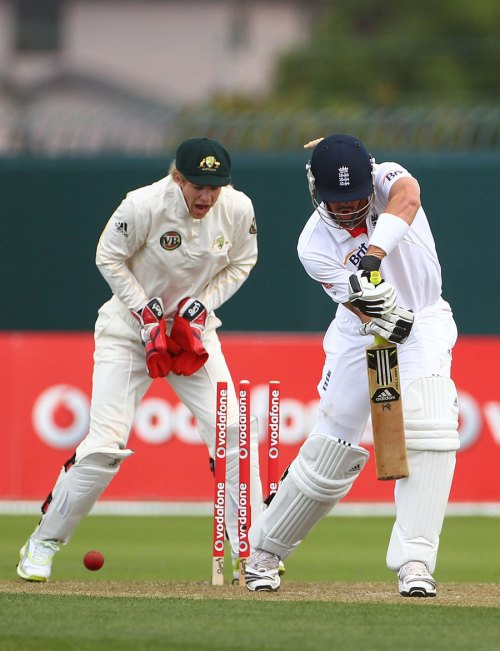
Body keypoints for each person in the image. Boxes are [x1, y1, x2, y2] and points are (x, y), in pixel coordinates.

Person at [17, 137, 263, 582]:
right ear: (177, 177)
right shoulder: (142, 205)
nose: (206, 197)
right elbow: (107, 256)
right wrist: (143, 308)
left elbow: (243, 262)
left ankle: (252, 550)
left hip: (192, 336)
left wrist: (201, 305)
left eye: (215, 187)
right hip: (129, 334)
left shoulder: (238, 209)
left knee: (232, 431)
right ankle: (43, 543)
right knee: (105, 444)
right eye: (198, 186)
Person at [245, 134, 459, 597]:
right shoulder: (312, 243)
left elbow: (409, 197)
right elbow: (360, 306)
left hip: (421, 319)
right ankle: (266, 550)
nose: (347, 208)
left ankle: (416, 562)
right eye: (335, 201)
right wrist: (373, 304)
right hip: (358, 329)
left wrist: (376, 256)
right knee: (334, 443)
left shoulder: (388, 178)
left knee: (434, 427)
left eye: (355, 198)